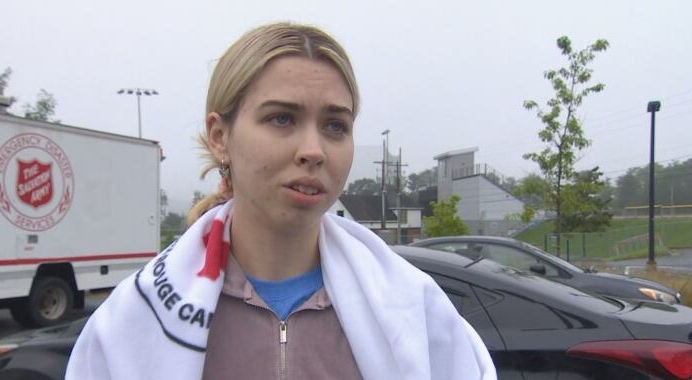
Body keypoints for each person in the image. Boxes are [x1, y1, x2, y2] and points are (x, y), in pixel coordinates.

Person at [66, 22, 495, 380]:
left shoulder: (418, 313)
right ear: (220, 136)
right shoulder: (130, 324)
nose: (314, 149)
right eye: (282, 118)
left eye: (334, 125)